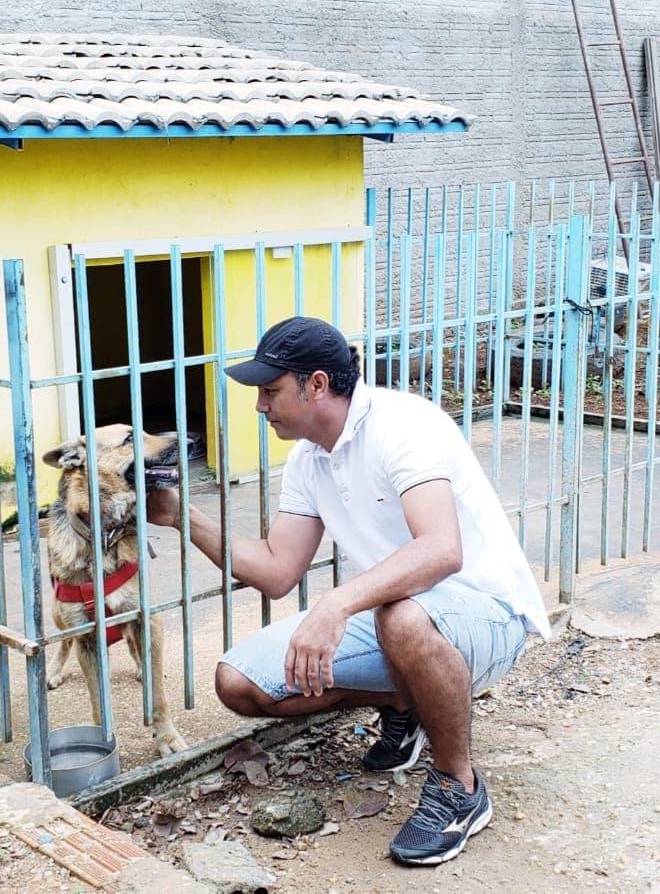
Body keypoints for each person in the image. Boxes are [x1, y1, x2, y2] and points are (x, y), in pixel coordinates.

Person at [146, 316, 552, 866]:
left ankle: (460, 787)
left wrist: (337, 604)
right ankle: (406, 705)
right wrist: (181, 518)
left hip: (485, 615)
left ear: (316, 384)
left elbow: (441, 550)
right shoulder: (308, 458)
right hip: (403, 616)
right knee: (240, 683)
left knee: (402, 618)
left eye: (270, 392)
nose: (260, 407)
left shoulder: (404, 426)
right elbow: (274, 570)